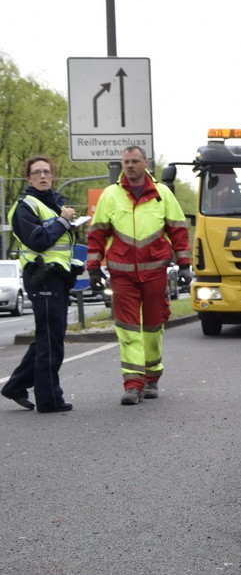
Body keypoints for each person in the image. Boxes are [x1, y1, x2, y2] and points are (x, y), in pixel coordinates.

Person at [86, 146, 191, 405]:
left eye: (135, 161)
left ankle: (152, 377)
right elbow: (97, 233)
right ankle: (133, 384)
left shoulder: (162, 194)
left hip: (155, 273)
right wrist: (93, 267)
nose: (130, 166)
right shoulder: (110, 195)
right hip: (122, 275)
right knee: (128, 327)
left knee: (153, 327)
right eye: (126, 162)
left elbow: (178, 230)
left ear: (146, 163)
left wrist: (185, 263)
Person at [2, 156, 85, 413]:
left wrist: (71, 223)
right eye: (37, 172)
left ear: (52, 176)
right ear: (28, 178)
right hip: (42, 275)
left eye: (46, 172)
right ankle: (49, 400)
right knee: (51, 340)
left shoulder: (53, 202)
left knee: (48, 337)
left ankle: (15, 385)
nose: (42, 176)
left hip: (57, 276)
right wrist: (62, 221)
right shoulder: (24, 207)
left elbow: (59, 240)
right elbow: (38, 241)